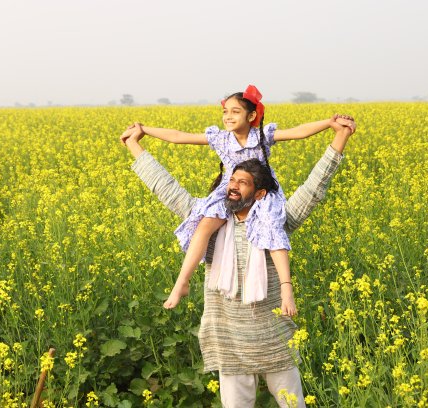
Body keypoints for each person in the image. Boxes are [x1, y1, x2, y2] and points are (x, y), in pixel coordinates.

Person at [121, 114, 355, 408]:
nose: (233, 186)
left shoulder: (277, 220)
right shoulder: (209, 220)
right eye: (232, 180)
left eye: (242, 183)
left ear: (260, 193)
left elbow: (314, 187)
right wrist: (133, 145)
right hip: (229, 339)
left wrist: (341, 137)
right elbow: (164, 186)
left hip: (273, 339)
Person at [121, 85, 354, 315]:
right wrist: (144, 129)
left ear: (251, 116)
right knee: (203, 225)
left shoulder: (262, 136)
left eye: (235, 111)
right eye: (225, 111)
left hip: (261, 193)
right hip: (228, 190)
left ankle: (286, 290)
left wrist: (329, 124)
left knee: (273, 227)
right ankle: (182, 282)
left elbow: (299, 131)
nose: (228, 116)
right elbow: (178, 136)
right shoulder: (221, 139)